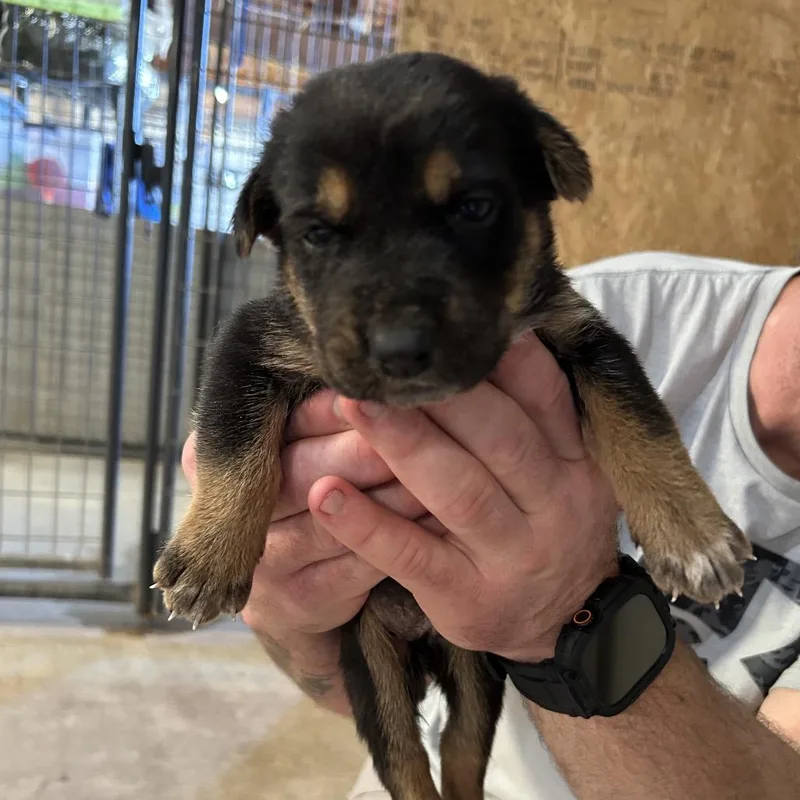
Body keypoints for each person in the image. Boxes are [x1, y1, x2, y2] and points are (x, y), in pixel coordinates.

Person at [182, 252, 800, 798]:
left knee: (470, 717)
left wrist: (563, 609)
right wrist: (287, 603)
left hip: (508, 686)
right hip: (383, 608)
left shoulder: (559, 318)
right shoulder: (642, 301)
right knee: (396, 724)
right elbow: (340, 694)